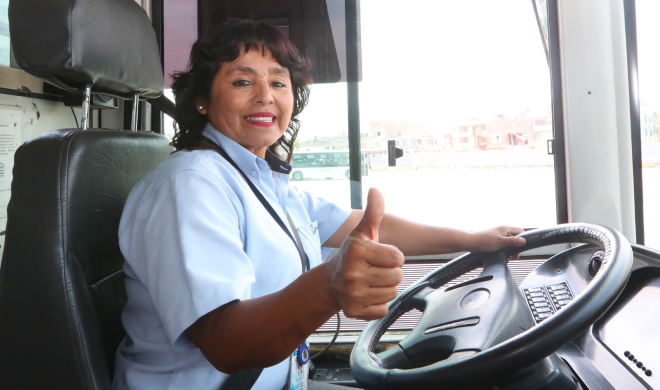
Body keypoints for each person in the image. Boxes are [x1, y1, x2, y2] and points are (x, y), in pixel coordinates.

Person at [112, 20, 527, 390]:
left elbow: (360, 224)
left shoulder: (266, 181)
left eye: (278, 82)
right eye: (242, 82)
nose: (265, 96)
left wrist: (472, 239)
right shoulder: (190, 184)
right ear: (201, 99)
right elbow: (226, 344)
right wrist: (330, 285)